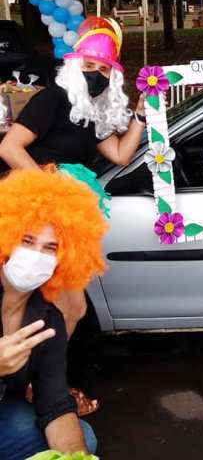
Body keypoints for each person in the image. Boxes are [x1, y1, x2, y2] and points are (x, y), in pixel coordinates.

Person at [0, 16, 145, 342]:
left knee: (72, 308)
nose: (95, 74)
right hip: (35, 213)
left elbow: (121, 154)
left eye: (104, 70)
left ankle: (44, 376)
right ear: (75, 66)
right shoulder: (52, 99)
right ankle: (17, 381)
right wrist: (52, 194)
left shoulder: (91, 112)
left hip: (65, 222)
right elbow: (10, 147)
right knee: (17, 299)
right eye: (89, 65)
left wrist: (141, 116)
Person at [0, 167, 107, 459]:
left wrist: (77, 457)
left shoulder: (48, 319)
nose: (35, 255)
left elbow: (55, 405)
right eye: (27, 240)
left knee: (83, 438)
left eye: (50, 248)